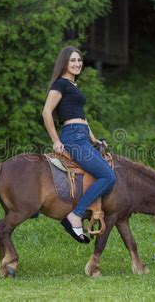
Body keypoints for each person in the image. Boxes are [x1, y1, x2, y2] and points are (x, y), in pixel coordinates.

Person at [42, 46, 116, 244]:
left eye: (79, 60)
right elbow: (46, 112)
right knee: (108, 176)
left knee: (105, 171)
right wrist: (56, 140)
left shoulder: (73, 86)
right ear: (64, 63)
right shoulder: (60, 84)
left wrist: (93, 139)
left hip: (82, 135)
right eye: (73, 60)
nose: (77, 64)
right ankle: (76, 214)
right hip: (72, 138)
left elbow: (81, 117)